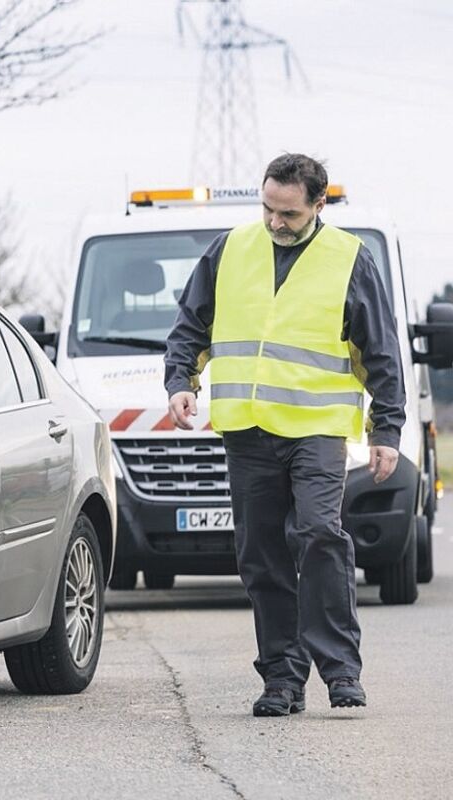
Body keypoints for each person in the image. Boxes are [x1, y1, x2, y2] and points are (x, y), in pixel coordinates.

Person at [164, 153, 405, 717]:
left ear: (319, 205)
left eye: (289, 213)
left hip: (317, 430)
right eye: (268, 208)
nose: (276, 222)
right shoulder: (230, 249)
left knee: (320, 532)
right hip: (247, 428)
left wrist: (386, 429)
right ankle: (282, 679)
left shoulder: (351, 259)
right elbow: (191, 325)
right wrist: (182, 381)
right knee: (261, 555)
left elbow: (381, 353)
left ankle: (341, 670)